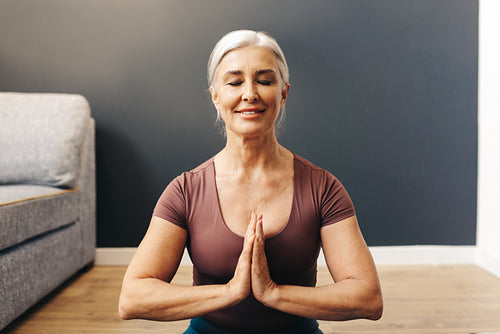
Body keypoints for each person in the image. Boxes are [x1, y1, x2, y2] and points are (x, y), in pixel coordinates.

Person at [119, 30, 383, 334]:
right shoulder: (185, 191)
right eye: (234, 82)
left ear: (283, 93)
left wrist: (272, 292)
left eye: (265, 80)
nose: (250, 93)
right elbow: (132, 299)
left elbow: (368, 298)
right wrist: (230, 291)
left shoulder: (323, 187)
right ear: (216, 97)